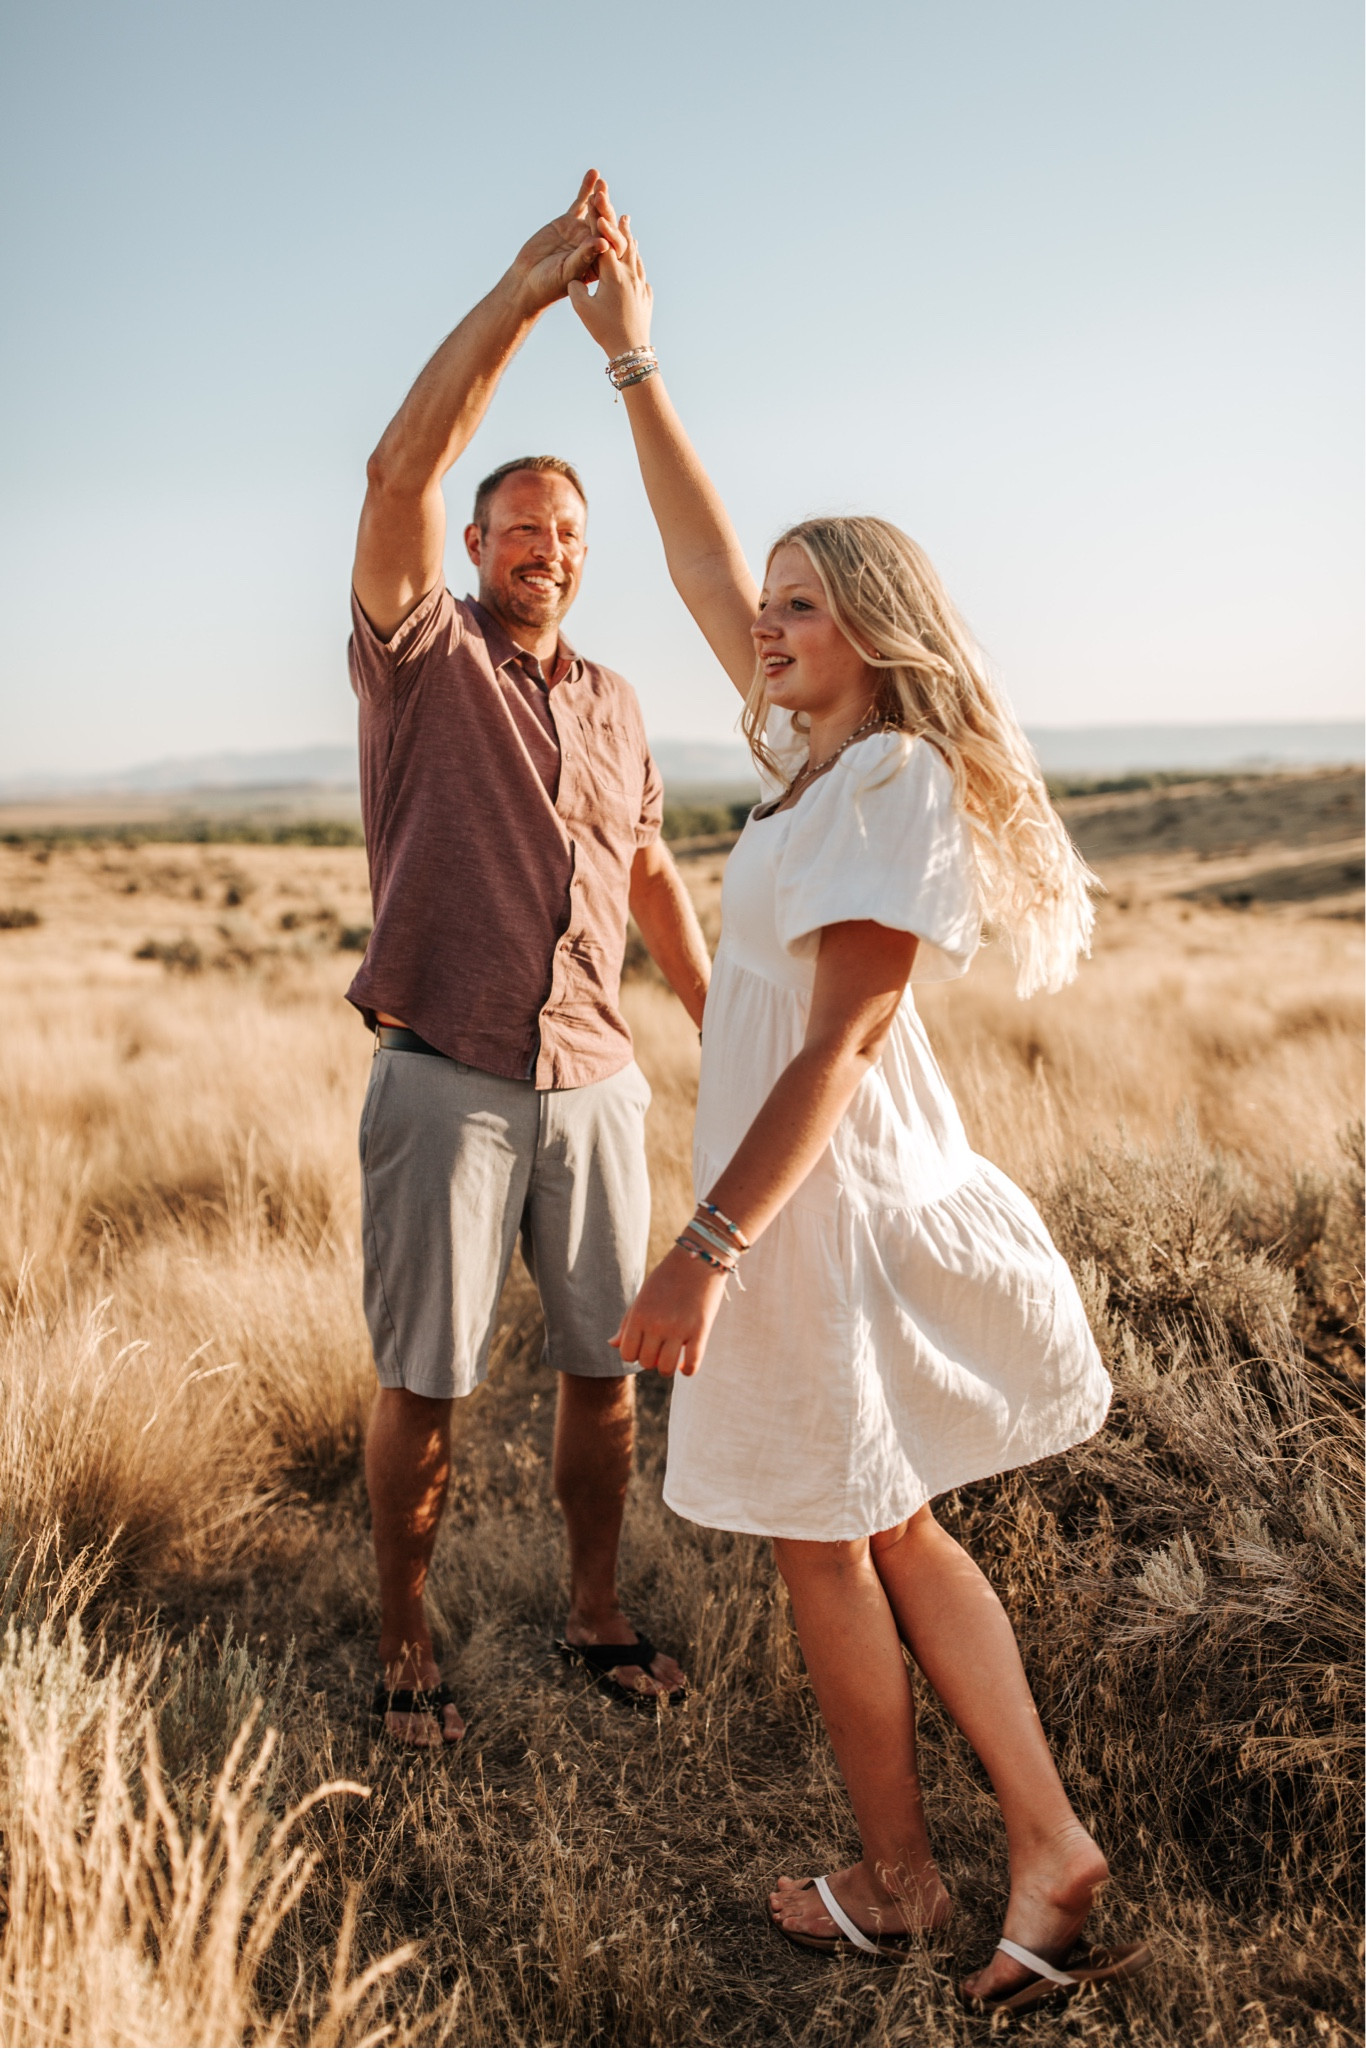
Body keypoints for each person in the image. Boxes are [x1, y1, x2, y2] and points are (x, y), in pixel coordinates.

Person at [567, 198, 1152, 2013]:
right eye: (771, 608)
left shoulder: (888, 770)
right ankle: (970, 1862)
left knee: (861, 1527)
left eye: (804, 607)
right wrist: (631, 361)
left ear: (873, 627)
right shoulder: (814, 769)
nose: (765, 626)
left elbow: (843, 1035)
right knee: (865, 1528)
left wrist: (704, 1246)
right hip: (788, 1205)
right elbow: (699, 559)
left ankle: (958, 1864)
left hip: (816, 1205)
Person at [349, 173, 711, 1747]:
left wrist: (712, 1011)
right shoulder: (420, 653)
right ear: (474, 542)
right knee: (424, 1377)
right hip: (444, 1076)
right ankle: (405, 1636)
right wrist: (520, 291)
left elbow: (644, 868)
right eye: (517, 528)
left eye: (567, 533)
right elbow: (395, 465)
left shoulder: (620, 699)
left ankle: (594, 1611)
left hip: (593, 1080)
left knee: (602, 1371)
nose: (543, 550)